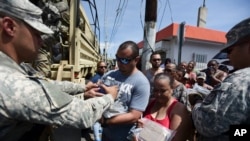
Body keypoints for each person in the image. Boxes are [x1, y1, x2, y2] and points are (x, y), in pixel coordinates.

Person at [0, 0, 118, 140]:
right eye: (37, 34)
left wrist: (82, 87)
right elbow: (83, 114)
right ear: (9, 27)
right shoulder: (11, 83)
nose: (42, 42)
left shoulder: (16, 70)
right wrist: (110, 97)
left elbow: (45, 86)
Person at [191, 17, 250, 141]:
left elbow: (208, 124)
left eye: (230, 50)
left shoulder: (240, 80)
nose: (228, 55)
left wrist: (197, 103)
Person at [100, 41, 151, 141]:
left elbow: (134, 116)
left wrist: (106, 122)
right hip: (106, 134)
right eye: (117, 58)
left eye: (124, 60)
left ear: (136, 60)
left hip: (124, 137)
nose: (119, 63)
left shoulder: (141, 83)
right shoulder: (110, 75)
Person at [131, 73, 194, 141]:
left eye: (163, 91)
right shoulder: (149, 103)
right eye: (156, 90)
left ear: (172, 88)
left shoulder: (179, 110)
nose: (158, 94)